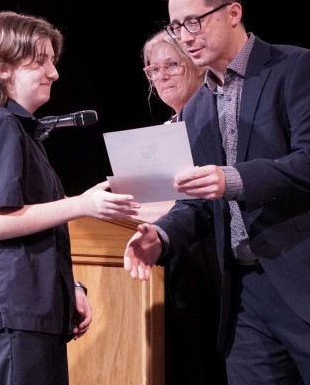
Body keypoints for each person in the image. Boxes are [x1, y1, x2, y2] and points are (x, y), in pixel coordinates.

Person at [123, 0, 310, 385]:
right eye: (177, 26)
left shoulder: (298, 67)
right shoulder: (196, 110)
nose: (186, 36)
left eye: (194, 20)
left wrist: (233, 179)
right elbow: (195, 202)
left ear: (233, 12)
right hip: (245, 297)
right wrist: (161, 236)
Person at [0, 10, 139, 385]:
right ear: (3, 68)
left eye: (53, 61)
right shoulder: (1, 127)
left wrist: (71, 288)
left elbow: (38, 230)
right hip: (13, 313)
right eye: (40, 61)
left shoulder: (22, 133)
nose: (53, 73)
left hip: (33, 313)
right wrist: (83, 204)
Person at [137, 30, 227, 384]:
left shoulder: (215, 123)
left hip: (209, 263)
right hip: (167, 263)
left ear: (195, 64)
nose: (161, 76)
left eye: (171, 65)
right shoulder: (160, 133)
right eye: (152, 69)